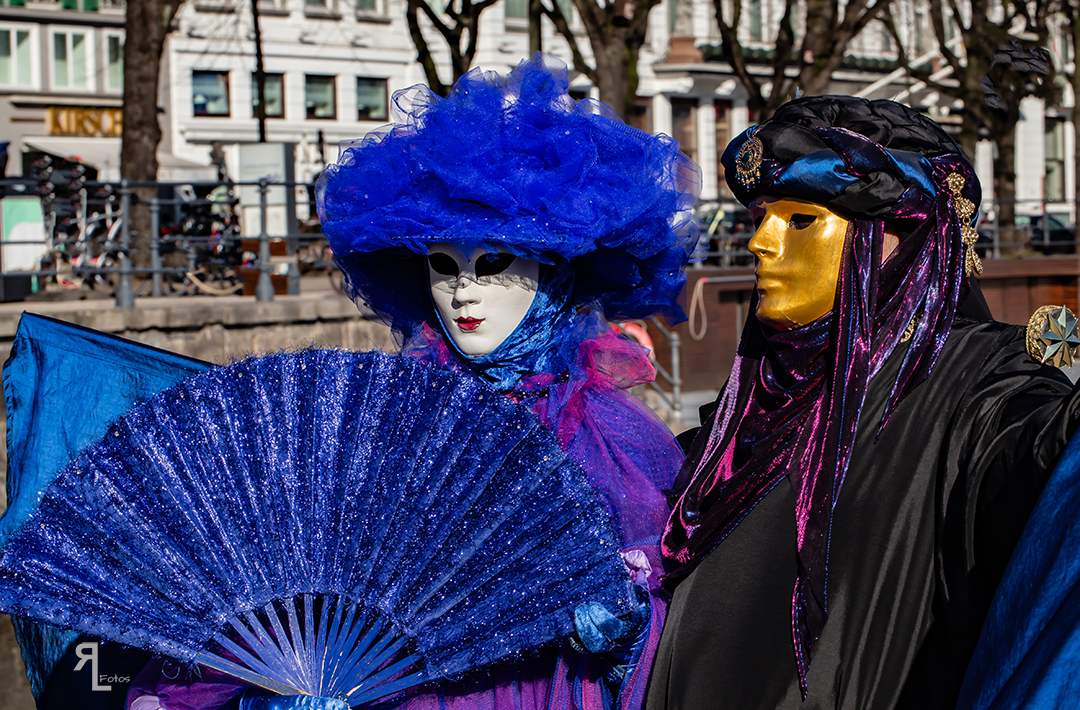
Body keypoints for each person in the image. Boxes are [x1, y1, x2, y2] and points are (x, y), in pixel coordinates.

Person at [125, 53, 701, 710]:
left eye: (492, 262)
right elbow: (289, 588)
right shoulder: (388, 427)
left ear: (556, 275)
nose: (463, 290)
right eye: (444, 264)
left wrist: (625, 632)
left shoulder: (615, 444)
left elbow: (686, 633)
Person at [645, 96, 1080, 710]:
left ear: (899, 239)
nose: (761, 245)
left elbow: (1039, 461)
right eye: (761, 218)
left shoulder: (980, 388)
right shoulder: (765, 389)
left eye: (800, 221)